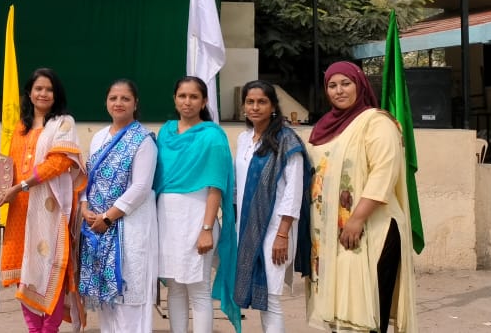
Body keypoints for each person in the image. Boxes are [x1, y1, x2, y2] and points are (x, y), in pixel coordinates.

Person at [305, 61, 418, 333]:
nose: (338, 91)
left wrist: (356, 219)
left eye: (346, 83)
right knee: (339, 311)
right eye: (332, 85)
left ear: (360, 85)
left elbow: (384, 173)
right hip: (332, 234)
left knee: (370, 309)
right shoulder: (324, 127)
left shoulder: (377, 122)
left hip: (371, 228)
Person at [0, 67, 87, 333]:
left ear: (56, 94)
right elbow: (11, 167)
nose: (43, 93)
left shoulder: (63, 124)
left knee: (51, 270)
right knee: (24, 271)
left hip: (50, 210)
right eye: (38, 88)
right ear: (29, 92)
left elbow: (58, 163)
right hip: (19, 211)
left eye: (49, 89)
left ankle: (49, 329)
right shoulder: (20, 127)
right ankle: (34, 330)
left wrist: (21, 185)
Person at [154, 76, 240, 333]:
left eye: (194, 97)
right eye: (182, 96)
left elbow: (216, 186)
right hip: (167, 220)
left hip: (197, 218)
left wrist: (206, 228)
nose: (187, 102)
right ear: (175, 99)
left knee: (198, 289)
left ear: (204, 101)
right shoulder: (165, 132)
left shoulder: (212, 136)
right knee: (175, 287)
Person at [78, 79, 158, 332]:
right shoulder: (99, 137)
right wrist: (84, 207)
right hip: (98, 229)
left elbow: (141, 187)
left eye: (125, 98)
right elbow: (88, 177)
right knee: (106, 302)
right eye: (113, 98)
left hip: (128, 227)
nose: (118, 103)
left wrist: (108, 217)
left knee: (128, 297)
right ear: (106, 102)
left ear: (135, 103)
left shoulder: (143, 140)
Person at [234, 81, 311, 332]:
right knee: (263, 297)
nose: (255, 107)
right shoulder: (244, 139)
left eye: (262, 102)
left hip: (276, 227)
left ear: (273, 106)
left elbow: (293, 191)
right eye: (250, 102)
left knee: (273, 296)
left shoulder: (287, 141)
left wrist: (282, 235)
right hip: (248, 226)